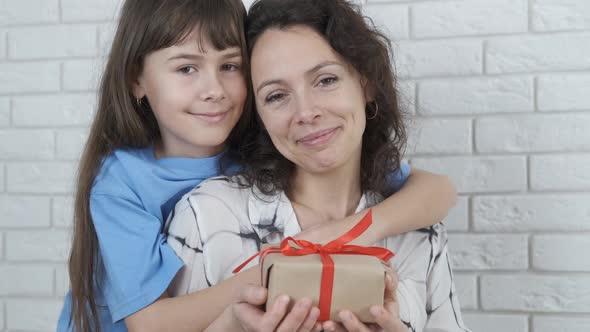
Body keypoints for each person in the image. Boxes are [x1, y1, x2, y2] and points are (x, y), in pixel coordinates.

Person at [58, 0, 457, 331]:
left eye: (230, 66)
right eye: (185, 68)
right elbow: (148, 323)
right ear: (137, 81)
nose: (213, 90)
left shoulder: (252, 155)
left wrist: (345, 232)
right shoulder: (124, 184)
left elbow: (437, 191)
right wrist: (281, 271)